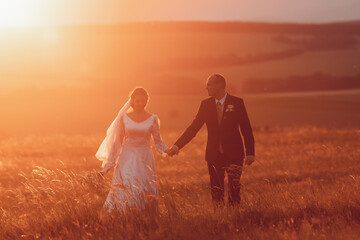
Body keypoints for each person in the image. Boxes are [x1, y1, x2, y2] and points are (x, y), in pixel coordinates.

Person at [167, 74, 255, 206]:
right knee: (216, 191)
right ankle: (218, 221)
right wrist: (177, 146)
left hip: (235, 154)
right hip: (214, 154)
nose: (206, 87)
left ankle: (235, 218)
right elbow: (193, 128)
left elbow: (246, 129)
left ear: (218, 86)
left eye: (209, 84)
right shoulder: (205, 105)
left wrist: (250, 153)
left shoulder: (237, 103)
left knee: (234, 191)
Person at [95, 87, 169, 212]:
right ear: (132, 101)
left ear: (146, 101)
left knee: (143, 187)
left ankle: (144, 214)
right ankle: (124, 214)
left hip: (145, 158)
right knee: (126, 184)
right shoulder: (124, 118)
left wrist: (168, 150)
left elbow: (158, 141)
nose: (140, 103)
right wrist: (106, 168)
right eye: (137, 101)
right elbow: (117, 142)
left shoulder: (153, 119)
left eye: (143, 101)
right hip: (127, 157)